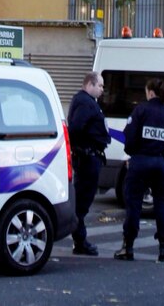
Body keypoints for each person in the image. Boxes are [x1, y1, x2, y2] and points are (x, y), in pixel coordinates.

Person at [114, 78, 164, 263]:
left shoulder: (140, 110)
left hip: (140, 163)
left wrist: (135, 154)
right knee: (162, 206)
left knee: (134, 204)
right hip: (162, 164)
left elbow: (129, 140)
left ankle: (128, 247)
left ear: (151, 92)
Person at [67, 71, 111, 256]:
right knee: (83, 202)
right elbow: (76, 128)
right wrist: (84, 148)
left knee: (84, 200)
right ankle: (80, 240)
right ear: (90, 85)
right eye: (100, 85)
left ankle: (80, 239)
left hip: (89, 156)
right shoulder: (85, 102)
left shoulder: (87, 102)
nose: (102, 89)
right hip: (87, 157)